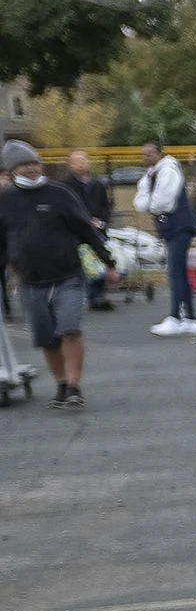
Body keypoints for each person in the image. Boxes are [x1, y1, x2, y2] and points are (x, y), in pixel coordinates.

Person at [1, 140, 116, 409]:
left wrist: (108, 263)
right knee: (47, 339)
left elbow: (87, 230)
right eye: (23, 165)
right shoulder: (4, 200)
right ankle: (62, 384)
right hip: (30, 281)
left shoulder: (59, 193)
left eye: (33, 163)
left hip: (68, 276)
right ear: (11, 171)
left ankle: (75, 385)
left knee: (70, 329)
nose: (30, 168)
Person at [134, 139, 196, 337]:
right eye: (144, 154)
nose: (146, 158)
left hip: (180, 226)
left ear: (159, 154)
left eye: (150, 154)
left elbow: (164, 203)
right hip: (170, 228)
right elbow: (139, 201)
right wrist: (149, 203)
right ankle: (189, 318)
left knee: (175, 272)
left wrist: (150, 204)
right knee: (179, 271)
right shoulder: (151, 174)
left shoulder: (169, 170)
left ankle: (176, 317)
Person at [63, 150, 113, 310]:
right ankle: (86, 295)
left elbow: (106, 205)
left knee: (99, 259)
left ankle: (98, 295)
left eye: (83, 160)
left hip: (98, 229)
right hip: (77, 231)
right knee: (82, 263)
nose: (81, 164)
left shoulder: (98, 184)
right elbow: (67, 207)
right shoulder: (65, 186)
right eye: (76, 161)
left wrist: (102, 221)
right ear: (70, 165)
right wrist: (85, 220)